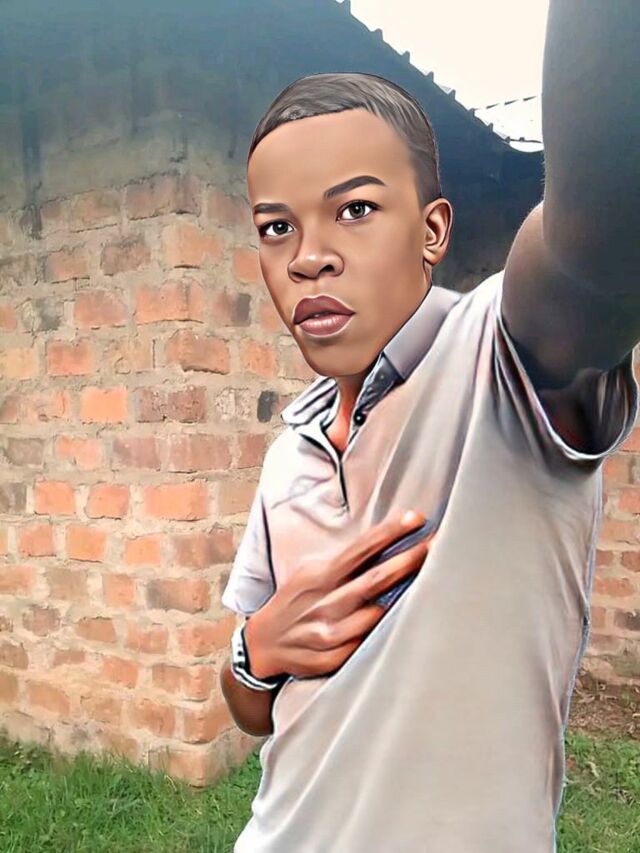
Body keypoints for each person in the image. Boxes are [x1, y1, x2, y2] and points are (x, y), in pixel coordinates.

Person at [220, 4, 639, 850]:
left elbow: (598, 244)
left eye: (354, 209)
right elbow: (251, 707)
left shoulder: (502, 359)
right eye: (276, 227)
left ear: (433, 230)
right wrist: (254, 648)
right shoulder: (289, 451)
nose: (307, 257)